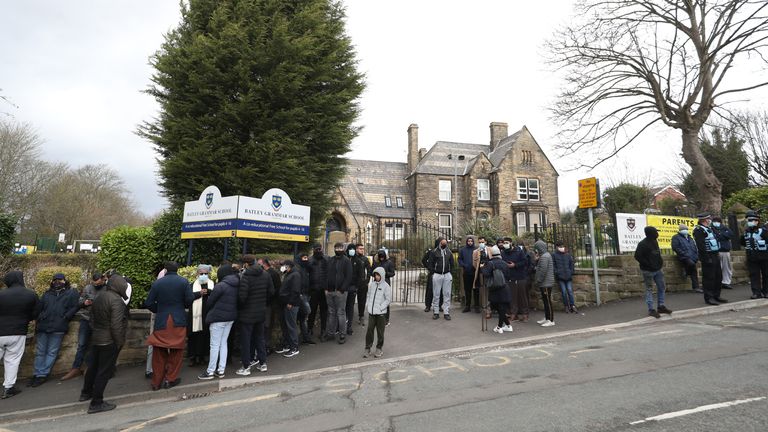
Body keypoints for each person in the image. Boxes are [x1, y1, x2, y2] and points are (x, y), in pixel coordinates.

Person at [79, 274, 129, 414]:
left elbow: (92, 319)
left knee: (93, 367)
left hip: (96, 338)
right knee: (104, 372)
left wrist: (96, 331)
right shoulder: (117, 301)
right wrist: (119, 342)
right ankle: (96, 403)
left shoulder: (100, 296)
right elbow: (116, 325)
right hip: (109, 341)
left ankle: (86, 393)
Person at [144, 262, 194, 390]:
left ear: (165, 270)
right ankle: (170, 380)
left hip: (162, 320)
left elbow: (148, 302)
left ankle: (156, 383)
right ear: (177, 270)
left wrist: (159, 309)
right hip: (178, 319)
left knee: (158, 352)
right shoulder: (184, 282)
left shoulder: (157, 283)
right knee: (176, 351)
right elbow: (189, 300)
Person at [30, 273, 79, 387]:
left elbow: (74, 307)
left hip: (58, 327)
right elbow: (39, 308)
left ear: (64, 281)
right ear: (52, 281)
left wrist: (66, 317)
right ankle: (37, 373)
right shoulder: (47, 294)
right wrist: (40, 316)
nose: (57, 282)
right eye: (55, 280)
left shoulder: (70, 293)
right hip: (44, 326)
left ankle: (42, 374)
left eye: (60, 280)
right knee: (40, 352)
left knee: (52, 352)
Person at [61, 272, 107, 381]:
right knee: (81, 345)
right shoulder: (87, 288)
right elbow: (80, 301)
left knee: (96, 346)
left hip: (99, 321)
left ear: (103, 280)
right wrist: (84, 303)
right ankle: (75, 368)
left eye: (98, 283)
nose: (96, 285)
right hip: (86, 319)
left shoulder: (107, 289)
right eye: (94, 283)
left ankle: (90, 368)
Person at [0, 271, 38, 399]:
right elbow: (36, 313)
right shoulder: (30, 294)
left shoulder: (1, 294)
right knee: (12, 360)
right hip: (18, 331)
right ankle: (8, 388)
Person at [198, 264, 239, 380]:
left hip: (218, 319)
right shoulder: (237, 284)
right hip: (230, 318)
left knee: (214, 345)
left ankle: (210, 371)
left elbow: (210, 302)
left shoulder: (220, 286)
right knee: (223, 343)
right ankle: (221, 370)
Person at [236, 255, 273, 376]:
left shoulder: (245, 277)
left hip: (247, 314)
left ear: (246, 264)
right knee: (260, 338)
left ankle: (246, 367)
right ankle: (263, 364)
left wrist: (241, 308)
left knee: (246, 341)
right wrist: (263, 303)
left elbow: (242, 297)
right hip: (261, 312)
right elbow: (271, 292)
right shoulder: (265, 274)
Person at [634, 226, 673, 318]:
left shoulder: (655, 241)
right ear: (651, 233)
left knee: (662, 287)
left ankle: (661, 306)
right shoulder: (642, 244)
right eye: (656, 232)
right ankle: (651, 309)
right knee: (649, 289)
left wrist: (660, 262)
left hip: (658, 269)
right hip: (648, 270)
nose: (657, 234)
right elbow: (637, 256)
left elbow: (657, 254)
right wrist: (648, 264)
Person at [693, 212, 726, 305]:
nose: (710, 220)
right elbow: (701, 246)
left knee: (718, 276)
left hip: (715, 254)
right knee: (709, 278)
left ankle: (716, 295)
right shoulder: (699, 230)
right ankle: (709, 297)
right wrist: (706, 258)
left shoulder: (710, 229)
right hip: (707, 256)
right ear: (704, 220)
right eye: (708, 218)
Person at [325, 242, 353, 344]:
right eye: (337, 247)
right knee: (331, 313)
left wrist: (342, 289)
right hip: (330, 291)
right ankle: (331, 334)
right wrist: (326, 288)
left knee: (341, 313)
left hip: (340, 292)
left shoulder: (346, 261)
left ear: (343, 249)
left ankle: (342, 334)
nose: (338, 249)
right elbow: (327, 274)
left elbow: (349, 276)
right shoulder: (331, 260)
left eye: (340, 247)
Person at [482, 246, 513, 334]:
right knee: (501, 308)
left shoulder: (490, 263)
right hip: (504, 287)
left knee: (499, 308)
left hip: (495, 288)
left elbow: (486, 274)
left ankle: (499, 327)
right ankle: (508, 325)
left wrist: (482, 267)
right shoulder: (504, 263)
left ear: (491, 254)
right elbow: (508, 275)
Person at [187, 264, 213, 367]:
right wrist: (199, 294)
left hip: (206, 314)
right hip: (194, 316)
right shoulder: (191, 285)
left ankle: (202, 357)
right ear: (198, 273)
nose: (203, 275)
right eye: (201, 273)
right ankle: (193, 357)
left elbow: (215, 294)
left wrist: (209, 292)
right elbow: (188, 298)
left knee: (204, 336)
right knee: (193, 336)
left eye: (206, 273)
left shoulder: (211, 284)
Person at [363, 267, 392, 358]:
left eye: (378, 275)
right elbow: (368, 295)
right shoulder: (372, 284)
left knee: (380, 332)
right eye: (375, 275)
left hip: (381, 314)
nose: (376, 276)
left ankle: (379, 348)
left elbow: (388, 300)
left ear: (382, 275)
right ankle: (368, 348)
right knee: (369, 331)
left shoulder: (386, 286)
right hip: (372, 313)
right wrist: (368, 304)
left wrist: (381, 308)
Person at [740, 210, 768, 299]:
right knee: (754, 275)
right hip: (752, 257)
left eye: (752, 220)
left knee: (766, 275)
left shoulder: (763, 231)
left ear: (757, 221)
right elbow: (743, 243)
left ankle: (766, 292)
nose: (750, 222)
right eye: (749, 220)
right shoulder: (746, 232)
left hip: (764, 257)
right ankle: (756, 292)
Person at [501, 237, 530, 322]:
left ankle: (525, 314)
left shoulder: (519, 251)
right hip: (510, 278)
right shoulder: (503, 253)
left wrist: (515, 265)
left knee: (522, 297)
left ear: (511, 243)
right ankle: (514, 314)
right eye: (504, 243)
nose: (505, 244)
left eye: (506, 242)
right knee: (512, 297)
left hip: (520, 277)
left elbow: (525, 262)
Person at [277, 261, 301, 358]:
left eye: (284, 266)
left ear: (289, 266)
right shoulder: (289, 274)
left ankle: (294, 347)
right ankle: (288, 344)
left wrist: (291, 302)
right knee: (286, 325)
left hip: (291, 304)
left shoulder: (295, 275)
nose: (283, 267)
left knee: (291, 325)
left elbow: (295, 290)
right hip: (285, 303)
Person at [259, 257, 282, 354]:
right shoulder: (271, 273)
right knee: (266, 326)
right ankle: (265, 346)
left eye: (259, 263)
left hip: (270, 304)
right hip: (269, 303)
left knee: (267, 326)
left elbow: (275, 290)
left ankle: (266, 346)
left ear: (264, 264)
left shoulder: (271, 274)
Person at [428, 237, 454, 320]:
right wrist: (433, 272)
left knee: (447, 294)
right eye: (442, 243)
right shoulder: (434, 252)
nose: (444, 244)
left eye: (445, 243)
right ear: (439, 243)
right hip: (437, 275)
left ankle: (446, 312)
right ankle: (436, 312)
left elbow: (452, 263)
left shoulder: (449, 252)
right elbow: (430, 264)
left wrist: (450, 272)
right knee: (436, 294)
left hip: (447, 274)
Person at [671, 224, 701, 293]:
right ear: (680, 230)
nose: (685, 231)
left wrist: (696, 255)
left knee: (694, 271)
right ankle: (687, 272)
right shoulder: (676, 237)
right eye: (683, 229)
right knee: (692, 265)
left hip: (693, 257)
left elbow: (694, 247)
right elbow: (675, 247)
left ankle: (696, 287)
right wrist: (684, 254)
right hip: (684, 257)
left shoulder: (690, 238)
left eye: (686, 229)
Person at [307, 244, 329, 338]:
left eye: (320, 249)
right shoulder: (310, 260)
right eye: (317, 249)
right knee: (312, 311)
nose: (319, 250)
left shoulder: (327, 259)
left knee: (324, 311)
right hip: (313, 289)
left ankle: (323, 330)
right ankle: (310, 329)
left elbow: (330, 273)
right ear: (314, 250)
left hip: (324, 290)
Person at [533, 240, 555, 327]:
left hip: (546, 283)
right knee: (545, 301)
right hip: (545, 282)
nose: (536, 250)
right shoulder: (544, 256)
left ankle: (551, 320)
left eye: (536, 248)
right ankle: (547, 318)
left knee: (548, 301)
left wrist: (538, 280)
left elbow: (543, 271)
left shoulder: (545, 257)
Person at [295, 253, 315, 345]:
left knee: (303, 318)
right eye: (304, 258)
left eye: (307, 257)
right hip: (301, 295)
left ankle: (305, 337)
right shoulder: (298, 269)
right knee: (306, 312)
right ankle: (295, 340)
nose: (306, 259)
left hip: (306, 294)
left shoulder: (307, 268)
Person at [372, 250, 395, 325]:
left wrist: (385, 273)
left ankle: (386, 319)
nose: (381, 258)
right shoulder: (375, 262)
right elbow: (371, 271)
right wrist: (376, 274)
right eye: (380, 257)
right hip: (377, 283)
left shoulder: (389, 262)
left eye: (383, 257)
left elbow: (393, 273)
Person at [553, 242, 577, 313]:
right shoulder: (554, 255)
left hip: (568, 275)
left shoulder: (567, 254)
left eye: (562, 246)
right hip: (560, 276)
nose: (561, 247)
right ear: (557, 247)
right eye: (560, 246)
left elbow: (571, 264)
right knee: (563, 292)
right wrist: (557, 272)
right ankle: (566, 306)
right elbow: (553, 265)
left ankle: (572, 305)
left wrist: (571, 272)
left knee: (569, 291)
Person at [351, 244, 372, 326]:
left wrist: (367, 280)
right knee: (351, 301)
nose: (362, 250)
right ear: (356, 249)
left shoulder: (365, 259)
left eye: (363, 249)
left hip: (363, 284)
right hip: (353, 284)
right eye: (360, 249)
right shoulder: (352, 258)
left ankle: (361, 316)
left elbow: (369, 270)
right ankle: (349, 317)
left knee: (362, 301)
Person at [711, 216, 734, 290]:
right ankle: (717, 282)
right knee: (717, 268)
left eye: (717, 221)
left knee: (726, 267)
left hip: (725, 250)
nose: (715, 223)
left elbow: (730, 234)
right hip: (715, 251)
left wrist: (720, 234)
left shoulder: (725, 228)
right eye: (714, 221)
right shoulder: (711, 228)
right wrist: (722, 235)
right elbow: (714, 237)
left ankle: (726, 282)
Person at [458, 235, 477, 313]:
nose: (470, 242)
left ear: (473, 242)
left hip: (475, 272)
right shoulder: (463, 250)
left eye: (471, 241)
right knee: (467, 290)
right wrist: (464, 265)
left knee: (476, 289)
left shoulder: (476, 249)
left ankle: (477, 306)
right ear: (466, 242)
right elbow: (459, 259)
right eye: (468, 241)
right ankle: (467, 306)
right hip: (466, 272)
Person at [422, 239, 442, 312]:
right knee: (430, 290)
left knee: (440, 290)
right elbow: (424, 260)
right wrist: (429, 267)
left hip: (440, 273)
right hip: (432, 273)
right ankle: (428, 305)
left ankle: (439, 305)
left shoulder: (444, 252)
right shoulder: (431, 252)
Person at [472, 236, 491, 315]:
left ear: (485, 242)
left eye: (482, 242)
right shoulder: (475, 251)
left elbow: (493, 259)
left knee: (490, 290)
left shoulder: (490, 249)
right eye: (479, 242)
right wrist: (479, 266)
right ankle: (485, 308)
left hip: (489, 273)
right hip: (480, 273)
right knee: (483, 290)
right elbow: (474, 263)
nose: (481, 244)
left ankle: (491, 307)